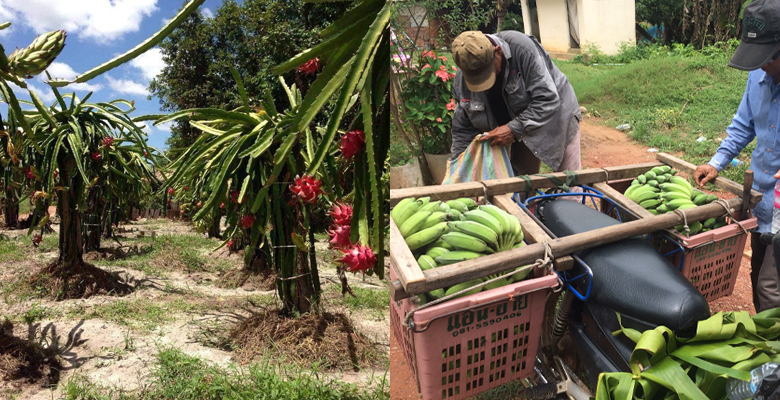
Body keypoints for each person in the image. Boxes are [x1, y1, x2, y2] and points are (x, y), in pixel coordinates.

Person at [693, 0, 780, 312]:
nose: (761, 65)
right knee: (759, 275)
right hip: (761, 199)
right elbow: (744, 124)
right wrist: (717, 162)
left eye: (768, 57)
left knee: (770, 288)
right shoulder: (757, 77)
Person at [449, 30, 582, 176]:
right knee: (521, 184)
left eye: (487, 73)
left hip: (557, 115)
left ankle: (571, 198)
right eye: (478, 79)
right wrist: (458, 168)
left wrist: (512, 129)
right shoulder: (463, 77)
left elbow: (547, 99)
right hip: (516, 127)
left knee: (570, 180)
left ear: (497, 52)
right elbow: (462, 128)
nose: (485, 83)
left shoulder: (523, 49)